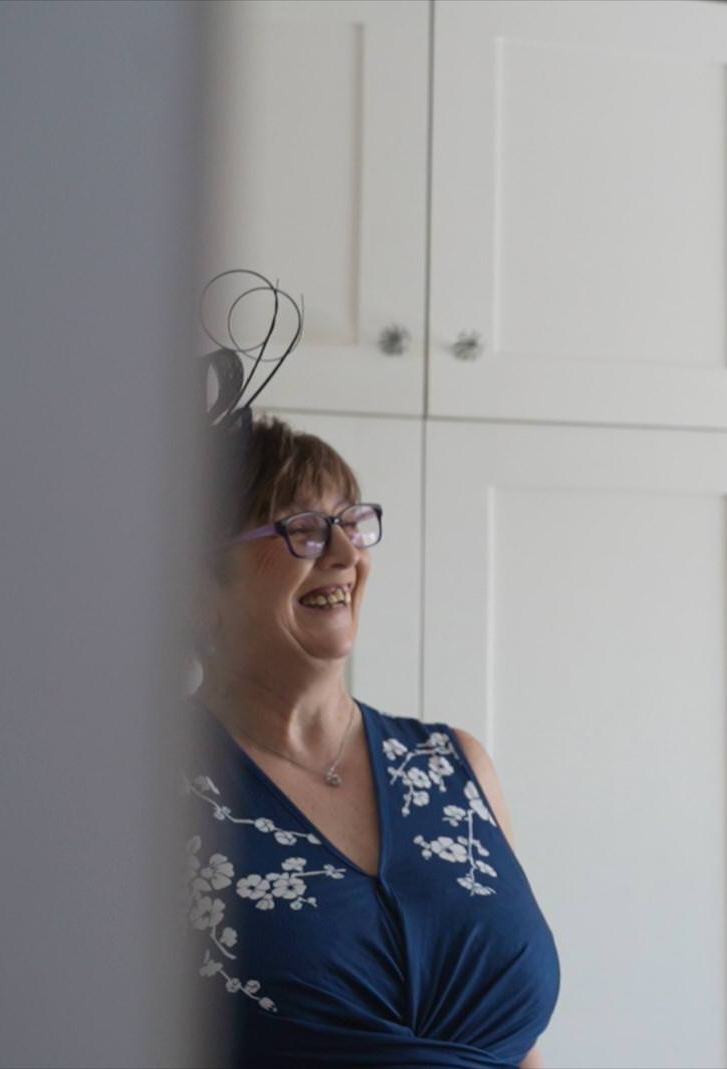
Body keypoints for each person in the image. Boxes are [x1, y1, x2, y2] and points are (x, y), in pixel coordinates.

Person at [185, 415, 559, 1067]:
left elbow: (522, 1050)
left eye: (351, 522)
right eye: (300, 528)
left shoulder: (457, 764)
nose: (345, 554)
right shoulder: (144, 789)